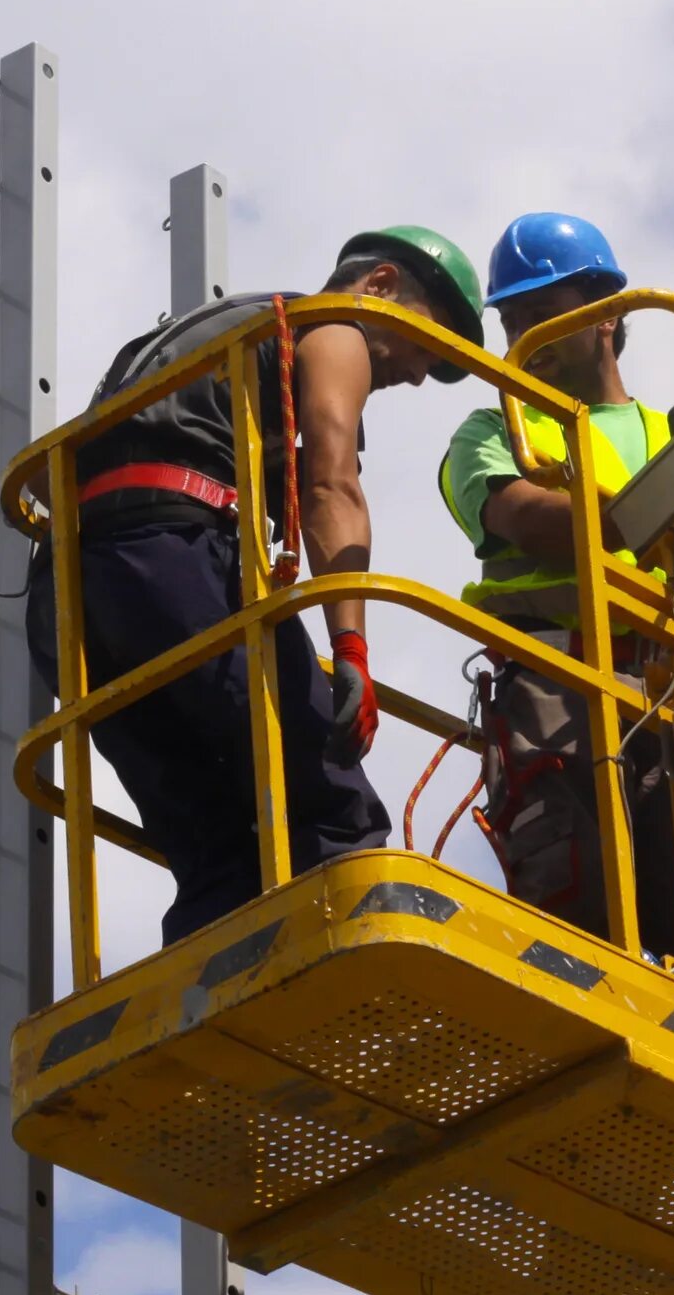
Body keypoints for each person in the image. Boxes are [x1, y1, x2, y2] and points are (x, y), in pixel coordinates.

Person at [30, 226, 488, 944]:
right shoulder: (330, 329)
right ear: (381, 287)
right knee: (333, 807)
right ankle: (360, 988)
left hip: (70, 597)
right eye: (429, 341)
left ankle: (223, 1005)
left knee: (216, 845)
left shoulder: (220, 342)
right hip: (171, 563)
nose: (423, 372)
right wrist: (353, 652)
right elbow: (331, 485)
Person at [436, 211, 674, 955]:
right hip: (555, 687)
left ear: (606, 315)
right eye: (513, 324)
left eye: (541, 317)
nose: (523, 343)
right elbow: (532, 521)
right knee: (580, 902)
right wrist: (665, 512)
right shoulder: (495, 430)